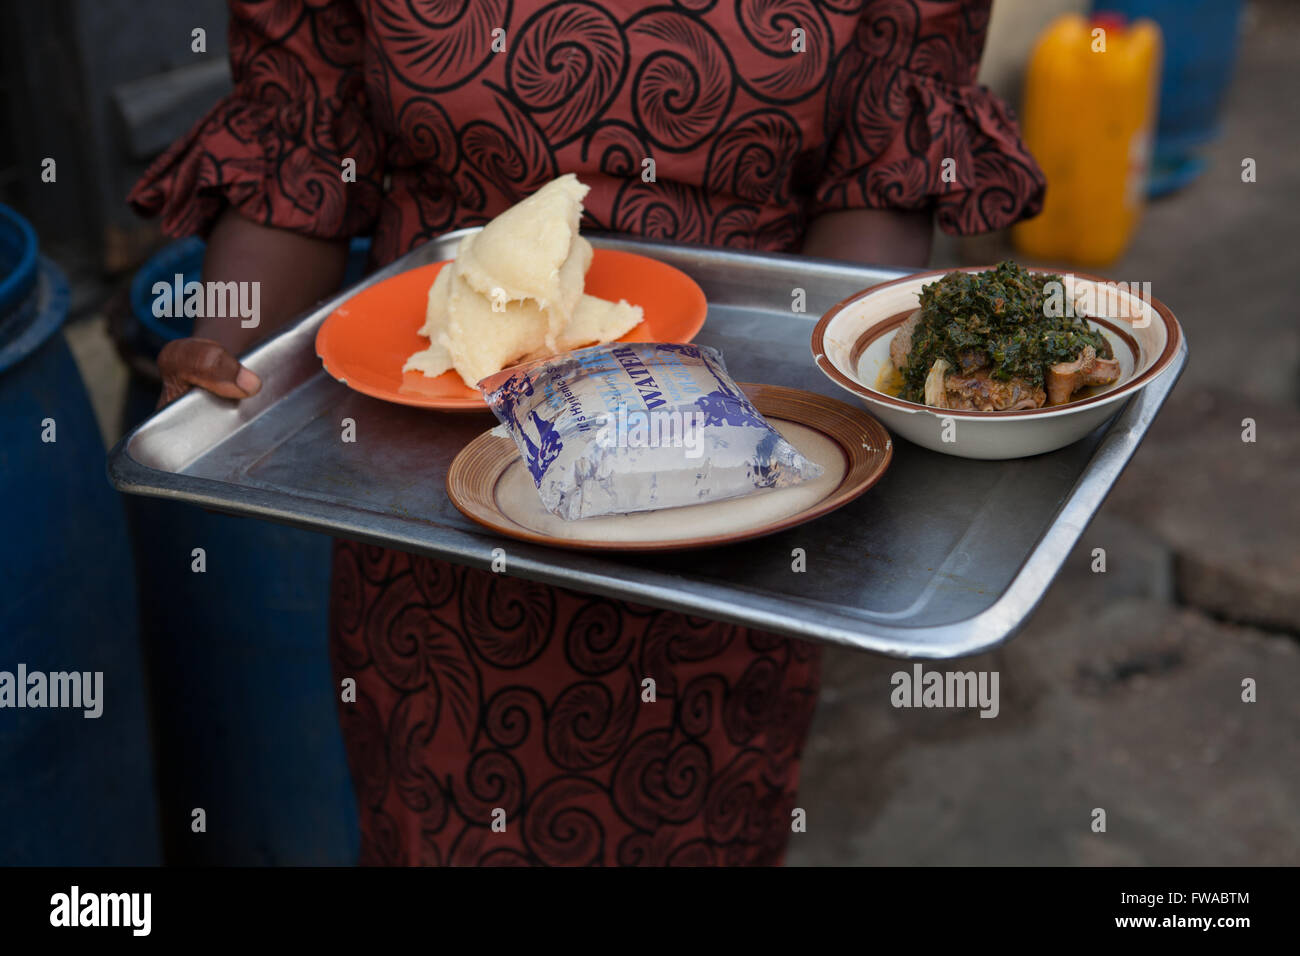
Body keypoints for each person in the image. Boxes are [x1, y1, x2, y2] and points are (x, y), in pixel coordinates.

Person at [130, 0, 1044, 865]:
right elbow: (304, 133)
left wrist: (823, 399)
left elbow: (881, 163)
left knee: (695, 820)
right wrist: (233, 342)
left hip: (721, 494)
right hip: (430, 509)